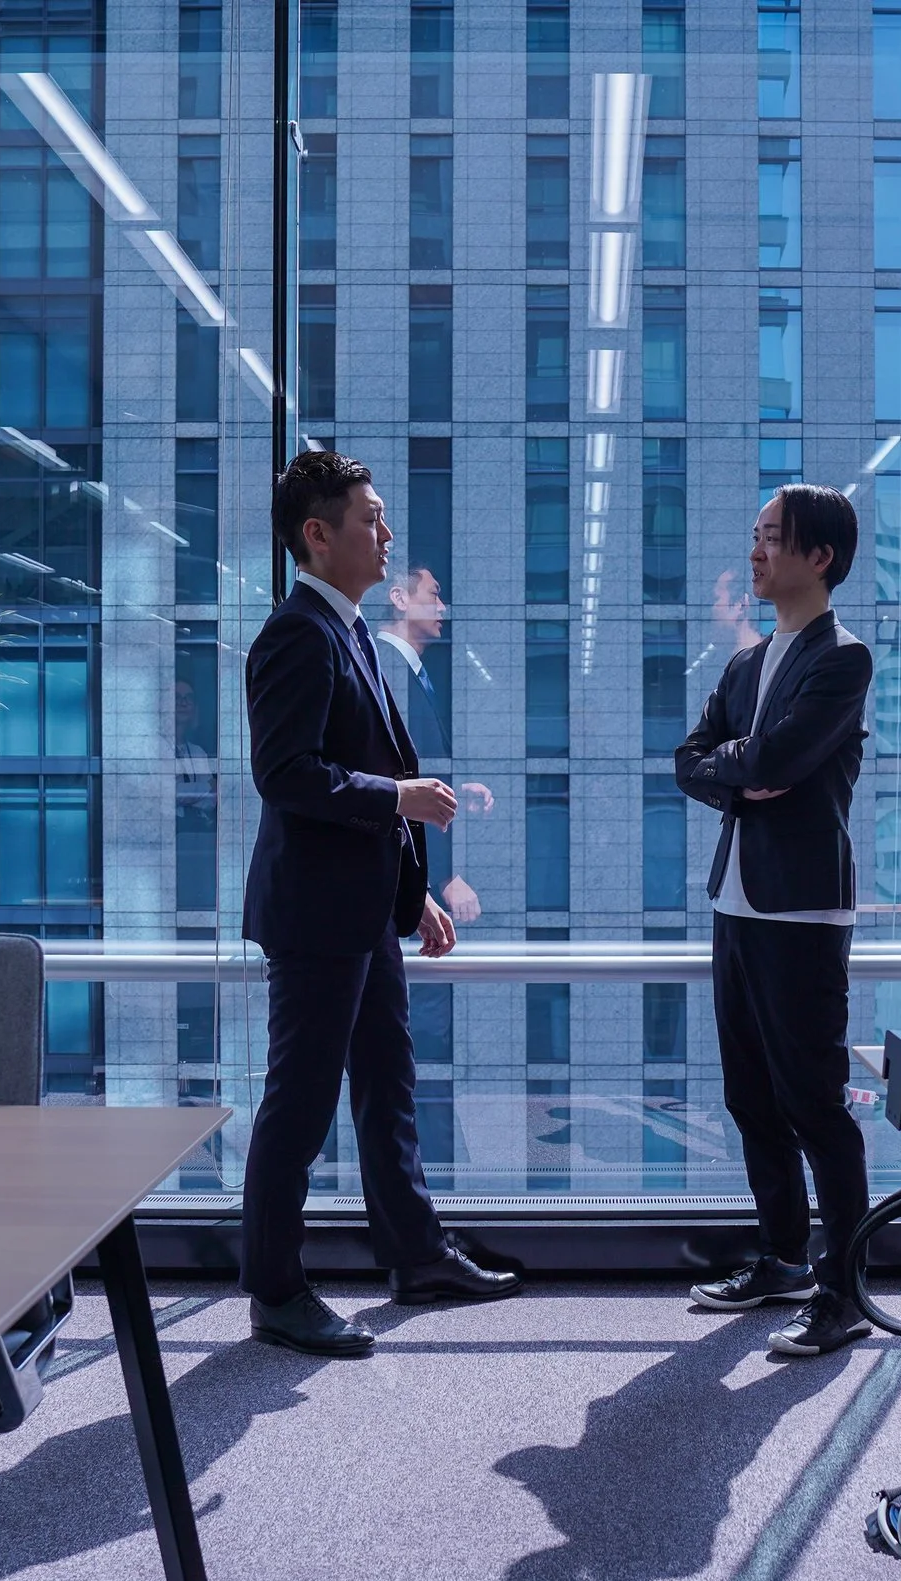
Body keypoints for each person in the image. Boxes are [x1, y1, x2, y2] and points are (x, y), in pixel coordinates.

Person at [241, 450, 519, 1357]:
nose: (387, 533)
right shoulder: (297, 634)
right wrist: (400, 800)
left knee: (387, 1089)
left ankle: (415, 1253)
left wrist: (413, 900)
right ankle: (276, 1291)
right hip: (317, 918)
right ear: (317, 535)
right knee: (302, 1103)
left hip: (362, 913)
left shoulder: (349, 630)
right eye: (371, 518)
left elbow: (367, 768)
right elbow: (287, 777)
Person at [674, 484, 875, 1357]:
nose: (753, 555)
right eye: (753, 537)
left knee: (815, 1107)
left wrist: (740, 767)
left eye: (768, 540)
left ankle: (846, 1291)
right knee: (750, 1099)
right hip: (736, 900)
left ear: (818, 556)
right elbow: (691, 761)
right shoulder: (747, 665)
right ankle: (783, 1258)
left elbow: (782, 757)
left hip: (802, 908)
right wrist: (737, 770)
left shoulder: (843, 659)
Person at [373, 563, 492, 924]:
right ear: (399, 599)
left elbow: (412, 766)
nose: (443, 608)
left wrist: (454, 788)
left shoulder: (405, 670)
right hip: (391, 877)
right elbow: (395, 780)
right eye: (434, 594)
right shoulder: (385, 668)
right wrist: (442, 875)